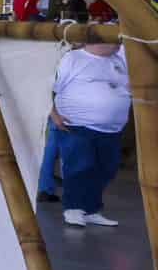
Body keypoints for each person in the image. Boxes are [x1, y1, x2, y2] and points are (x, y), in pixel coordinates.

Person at [52, 35, 129, 229]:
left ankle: (91, 209)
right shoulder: (72, 59)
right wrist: (53, 114)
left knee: (107, 168)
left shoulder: (118, 60)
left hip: (111, 129)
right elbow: (48, 88)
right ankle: (73, 208)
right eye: (114, 40)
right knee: (79, 166)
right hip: (77, 125)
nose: (118, 43)